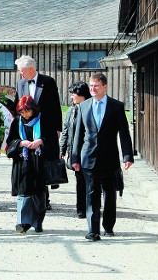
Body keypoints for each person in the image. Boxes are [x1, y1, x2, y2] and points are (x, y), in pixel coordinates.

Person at [72, 73, 134, 242]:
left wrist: (127, 155)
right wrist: (75, 158)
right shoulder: (83, 106)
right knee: (91, 193)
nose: (92, 89)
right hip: (88, 157)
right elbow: (78, 134)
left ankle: (108, 226)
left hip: (110, 157)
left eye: (96, 86)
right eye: (91, 85)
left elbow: (124, 133)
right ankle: (93, 231)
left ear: (105, 87)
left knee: (109, 193)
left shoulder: (116, 106)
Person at [14, 55, 62, 210]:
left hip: (45, 127)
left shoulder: (47, 82)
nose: (20, 74)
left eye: (22, 71)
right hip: (27, 128)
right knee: (31, 163)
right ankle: (32, 195)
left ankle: (44, 198)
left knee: (44, 162)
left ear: (30, 69)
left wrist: (58, 128)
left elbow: (56, 105)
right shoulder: (21, 83)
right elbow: (18, 106)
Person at [6, 96, 48, 233]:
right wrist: (21, 143)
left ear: (33, 109)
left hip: (39, 161)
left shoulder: (43, 120)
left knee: (38, 193)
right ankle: (22, 223)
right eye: (21, 112)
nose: (24, 115)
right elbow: (10, 140)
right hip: (22, 161)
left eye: (27, 111)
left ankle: (37, 222)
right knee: (23, 192)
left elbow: (52, 139)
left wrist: (40, 141)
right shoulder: (17, 121)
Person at [59, 81, 92, 219]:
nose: (72, 97)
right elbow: (66, 130)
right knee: (79, 180)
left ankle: (92, 206)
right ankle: (81, 208)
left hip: (89, 150)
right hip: (75, 150)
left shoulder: (90, 108)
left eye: (74, 94)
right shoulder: (72, 110)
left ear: (82, 95)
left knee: (90, 180)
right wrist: (62, 149)